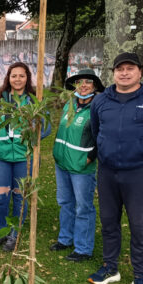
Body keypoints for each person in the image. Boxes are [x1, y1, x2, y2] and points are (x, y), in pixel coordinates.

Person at [87, 52, 143, 284]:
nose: (124, 73)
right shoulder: (101, 100)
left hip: (139, 174)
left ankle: (141, 278)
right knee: (109, 222)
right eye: (119, 69)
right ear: (113, 73)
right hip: (107, 172)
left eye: (130, 68)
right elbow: (95, 129)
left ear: (140, 72)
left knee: (140, 226)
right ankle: (110, 268)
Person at [0, 62, 50, 252]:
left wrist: (34, 124)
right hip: (0, 157)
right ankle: (3, 230)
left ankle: (14, 233)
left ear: (27, 78)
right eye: (14, 76)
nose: (17, 79)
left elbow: (46, 130)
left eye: (21, 76)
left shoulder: (33, 101)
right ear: (8, 78)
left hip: (23, 157)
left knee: (20, 197)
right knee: (1, 197)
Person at [50, 68, 104, 263]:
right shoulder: (70, 104)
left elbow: (103, 135)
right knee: (65, 202)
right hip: (63, 163)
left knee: (83, 207)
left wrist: (92, 156)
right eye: (79, 82)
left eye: (88, 82)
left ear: (95, 86)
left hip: (82, 166)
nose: (83, 86)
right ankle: (65, 239)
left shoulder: (98, 107)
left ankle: (83, 248)